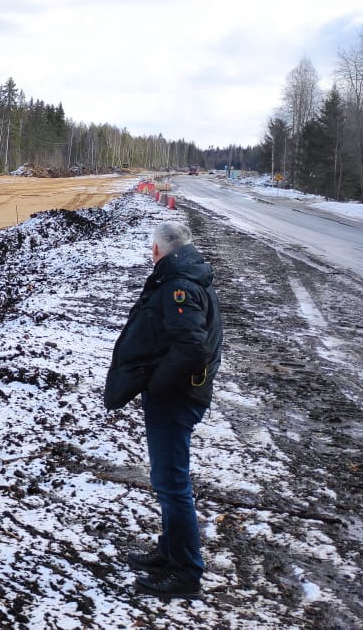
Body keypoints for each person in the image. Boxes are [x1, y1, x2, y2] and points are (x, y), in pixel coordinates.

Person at [104, 219, 223, 599]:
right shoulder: (185, 276)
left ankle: (186, 572)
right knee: (167, 482)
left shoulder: (179, 287)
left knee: (172, 486)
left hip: (175, 399)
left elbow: (192, 349)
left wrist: (156, 384)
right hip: (176, 395)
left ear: (158, 251)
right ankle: (168, 553)